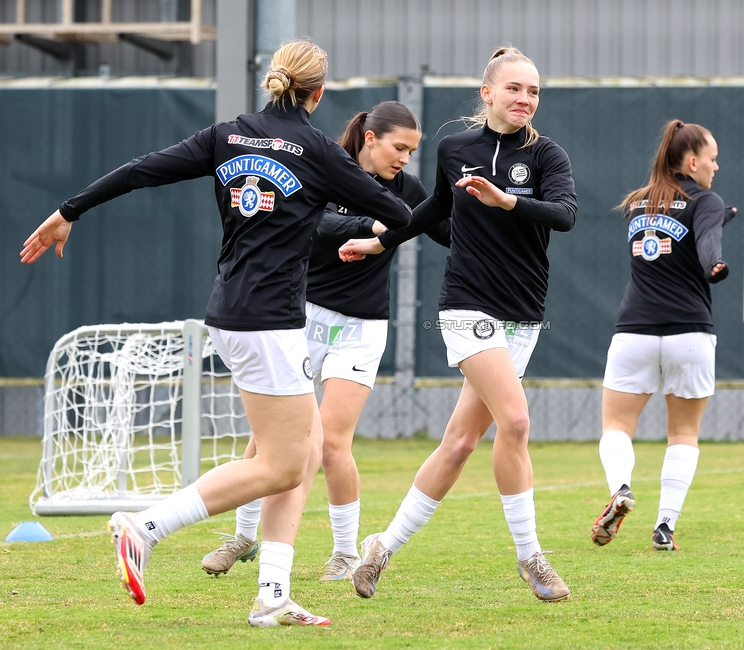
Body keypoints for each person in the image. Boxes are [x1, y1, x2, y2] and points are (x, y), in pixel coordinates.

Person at [19, 39, 413, 627]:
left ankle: (272, 595)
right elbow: (403, 215)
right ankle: (145, 526)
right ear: (319, 93)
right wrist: (373, 224)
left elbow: (139, 171)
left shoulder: (226, 135)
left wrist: (68, 210)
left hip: (229, 313)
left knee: (302, 455)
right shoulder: (319, 151)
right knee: (283, 464)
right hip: (270, 322)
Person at [337, 46, 577, 602]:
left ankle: (382, 549)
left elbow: (564, 215)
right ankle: (531, 557)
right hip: (468, 305)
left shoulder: (548, 156)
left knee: (461, 442)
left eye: (534, 91)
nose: (525, 99)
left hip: (524, 311)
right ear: (487, 93)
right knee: (515, 422)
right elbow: (433, 212)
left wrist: (507, 200)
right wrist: (379, 240)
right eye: (514, 88)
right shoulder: (454, 149)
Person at [201, 101, 449, 581]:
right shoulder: (323, 164)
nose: (404, 159)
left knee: (332, 443)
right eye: (399, 148)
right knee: (268, 439)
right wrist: (372, 226)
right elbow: (312, 228)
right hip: (303, 318)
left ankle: (344, 553)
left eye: (413, 151)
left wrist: (495, 224)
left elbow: (442, 230)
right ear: (370, 139)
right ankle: (243, 537)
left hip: (362, 329)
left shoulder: (407, 189)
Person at [591, 120, 733, 552]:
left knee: (616, 425)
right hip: (689, 333)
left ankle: (621, 489)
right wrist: (715, 263)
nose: (716, 166)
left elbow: (677, 238)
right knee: (684, 434)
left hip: (634, 331)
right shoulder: (706, 199)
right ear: (692, 162)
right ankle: (665, 527)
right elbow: (705, 241)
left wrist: (717, 221)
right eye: (712, 158)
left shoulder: (637, 203)